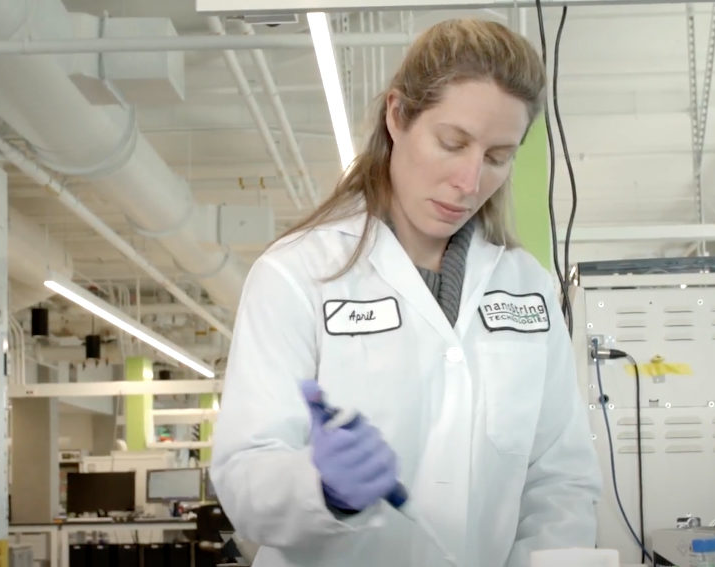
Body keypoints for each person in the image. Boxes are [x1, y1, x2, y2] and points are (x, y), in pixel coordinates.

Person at [210, 18, 601, 567]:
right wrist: (321, 488)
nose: (470, 181)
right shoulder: (298, 274)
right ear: (397, 115)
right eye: (452, 142)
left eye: (496, 157)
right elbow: (246, 474)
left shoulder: (527, 287)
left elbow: (558, 477)